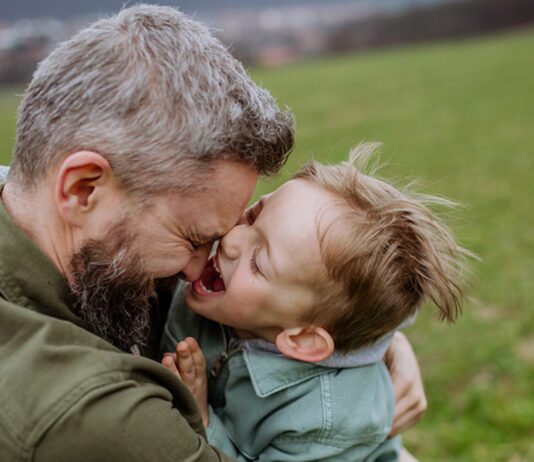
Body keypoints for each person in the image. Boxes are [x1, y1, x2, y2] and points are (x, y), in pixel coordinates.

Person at [0, 5, 425, 461]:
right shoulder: (98, 416)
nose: (204, 264)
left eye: (241, 222)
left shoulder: (42, 209)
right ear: (83, 188)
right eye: (192, 238)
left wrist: (367, 345)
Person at [161, 144, 472, 461]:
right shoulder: (238, 294)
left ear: (302, 338)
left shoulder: (328, 419)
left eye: (258, 263)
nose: (230, 240)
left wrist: (201, 419)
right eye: (254, 217)